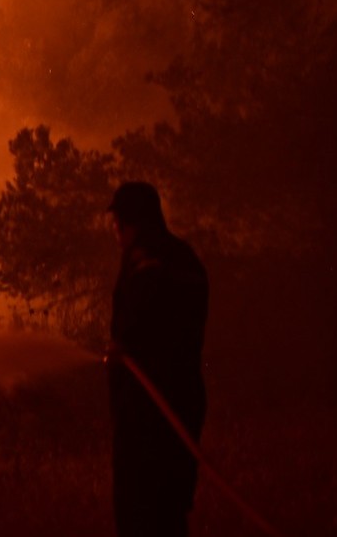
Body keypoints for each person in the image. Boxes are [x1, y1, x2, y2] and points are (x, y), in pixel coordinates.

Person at [105, 181, 208, 537]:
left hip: (154, 408)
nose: (116, 230)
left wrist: (124, 348)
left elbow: (143, 327)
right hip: (165, 405)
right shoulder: (170, 258)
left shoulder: (155, 262)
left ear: (134, 222)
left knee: (147, 512)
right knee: (157, 512)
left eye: (120, 221)